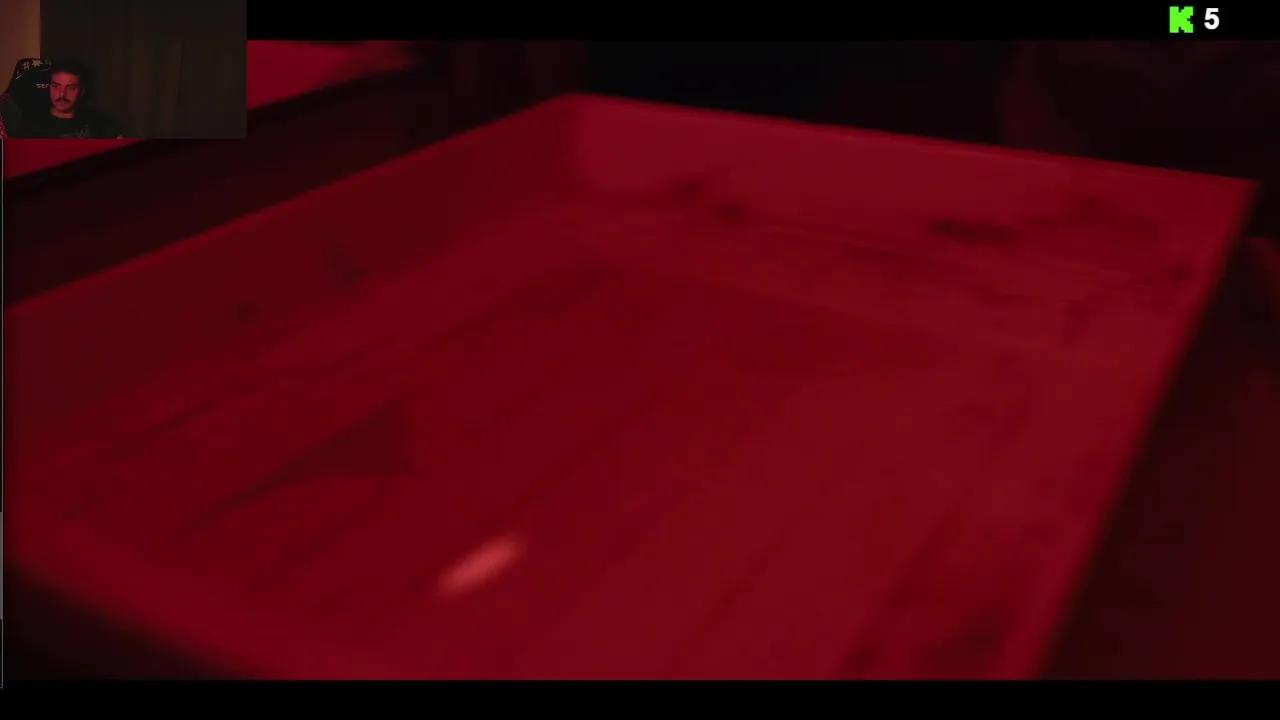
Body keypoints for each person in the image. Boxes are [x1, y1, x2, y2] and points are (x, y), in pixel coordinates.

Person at [16, 59, 124, 138]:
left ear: (81, 91)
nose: (62, 94)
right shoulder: (31, 123)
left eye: (71, 88)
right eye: (56, 86)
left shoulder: (99, 120)